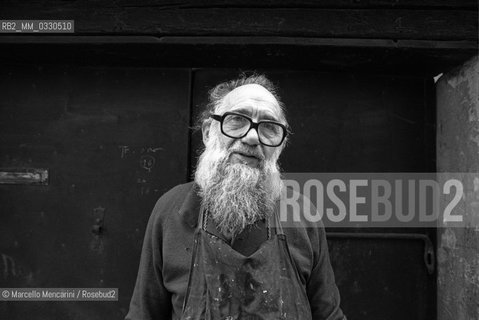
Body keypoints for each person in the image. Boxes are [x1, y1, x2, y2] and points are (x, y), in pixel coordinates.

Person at [125, 74, 346, 320]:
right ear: (209, 132)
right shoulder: (171, 210)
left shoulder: (302, 214)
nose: (252, 137)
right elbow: (144, 314)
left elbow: (329, 315)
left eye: (269, 128)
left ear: (280, 146)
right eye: (237, 120)